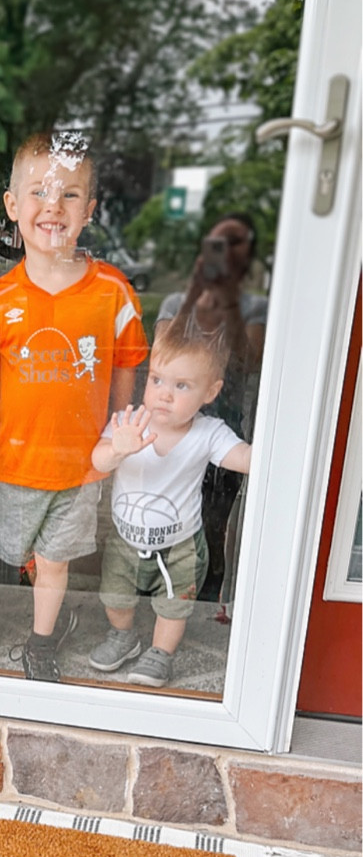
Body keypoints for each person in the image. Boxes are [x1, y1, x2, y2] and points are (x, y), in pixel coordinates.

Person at [0, 131, 148, 681]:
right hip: (18, 465)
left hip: (80, 467)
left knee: (56, 562)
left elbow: (126, 364)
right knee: (23, 556)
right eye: (38, 192)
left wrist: (115, 431)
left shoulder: (112, 293)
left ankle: (40, 642)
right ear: (13, 206)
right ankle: (48, 603)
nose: (53, 206)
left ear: (90, 209)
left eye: (69, 194)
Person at [88, 330, 252, 688]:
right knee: (115, 596)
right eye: (157, 380)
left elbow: (244, 459)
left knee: (174, 606)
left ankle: (161, 653)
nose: (164, 394)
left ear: (210, 392)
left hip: (180, 546)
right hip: (125, 540)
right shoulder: (128, 423)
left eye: (182, 386)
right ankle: (123, 636)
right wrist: (117, 449)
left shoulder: (209, 433)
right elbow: (98, 461)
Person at [155, 212, 267, 609]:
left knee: (215, 513)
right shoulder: (176, 302)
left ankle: (206, 588)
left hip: (225, 427)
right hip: (174, 425)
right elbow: (162, 354)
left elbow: (251, 360)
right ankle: (158, 577)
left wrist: (230, 307)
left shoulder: (253, 307)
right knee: (168, 502)